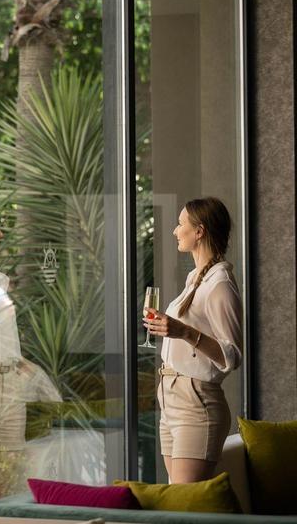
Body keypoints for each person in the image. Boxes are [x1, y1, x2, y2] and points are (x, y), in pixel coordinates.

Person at [143, 197, 242, 484]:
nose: (175, 230)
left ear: (199, 231)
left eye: (180, 224)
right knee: (178, 502)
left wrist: (183, 332)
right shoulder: (195, 279)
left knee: (185, 505)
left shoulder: (220, 284)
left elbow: (232, 355)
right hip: (171, 397)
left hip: (195, 402)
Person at [0, 208, 59, 505]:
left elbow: (3, 336)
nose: (0, 234)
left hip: (10, 386)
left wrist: (24, 367)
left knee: (6, 479)